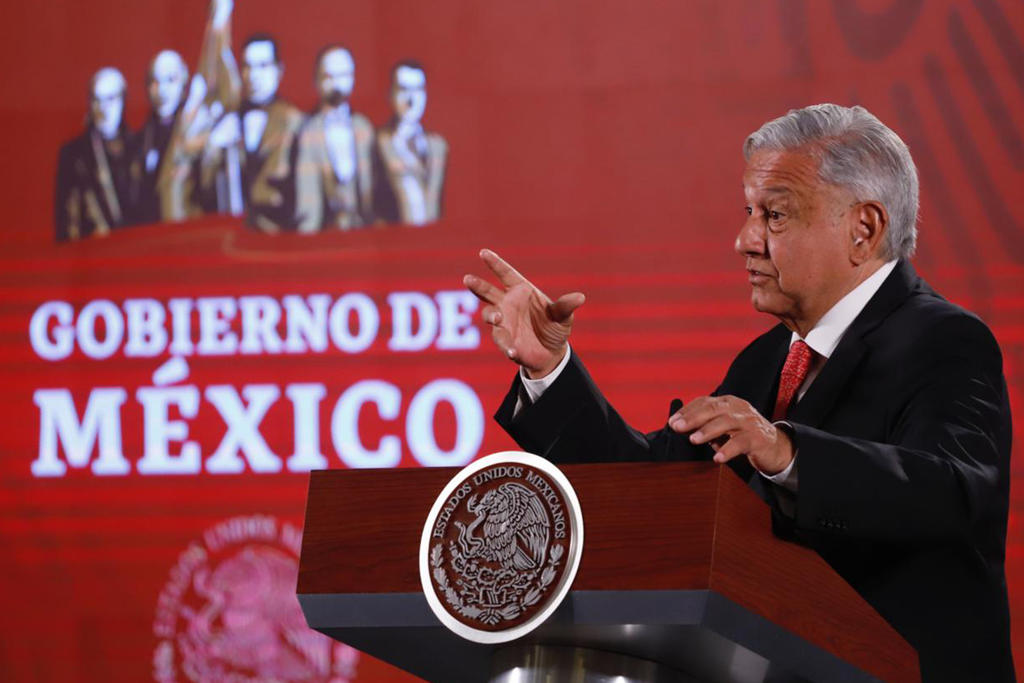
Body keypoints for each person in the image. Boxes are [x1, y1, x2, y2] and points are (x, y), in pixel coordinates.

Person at [463, 104, 1014, 682]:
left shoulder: (946, 340)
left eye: (775, 215)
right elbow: (655, 495)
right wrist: (550, 369)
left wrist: (788, 454)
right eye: (749, 212)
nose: (745, 240)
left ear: (864, 229)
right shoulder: (765, 360)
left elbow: (953, 493)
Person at [199, 33, 304, 230]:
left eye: (263, 66)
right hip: (232, 234)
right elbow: (204, 189)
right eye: (247, 66)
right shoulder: (227, 120)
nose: (254, 75)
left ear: (279, 71)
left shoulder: (294, 121)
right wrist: (213, 147)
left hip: (280, 232)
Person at [295, 45, 375, 232]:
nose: (337, 84)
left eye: (344, 76)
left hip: (365, 233)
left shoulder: (364, 128)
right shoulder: (308, 133)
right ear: (316, 81)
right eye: (328, 77)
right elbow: (307, 201)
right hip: (327, 234)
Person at [54, 67, 133, 242]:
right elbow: (67, 221)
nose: (103, 109)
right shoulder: (74, 155)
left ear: (123, 100)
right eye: (97, 100)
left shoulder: (138, 146)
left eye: (111, 99)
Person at [373, 60, 448, 226]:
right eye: (403, 90)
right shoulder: (378, 142)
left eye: (418, 90)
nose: (411, 99)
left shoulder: (438, 146)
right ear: (390, 94)